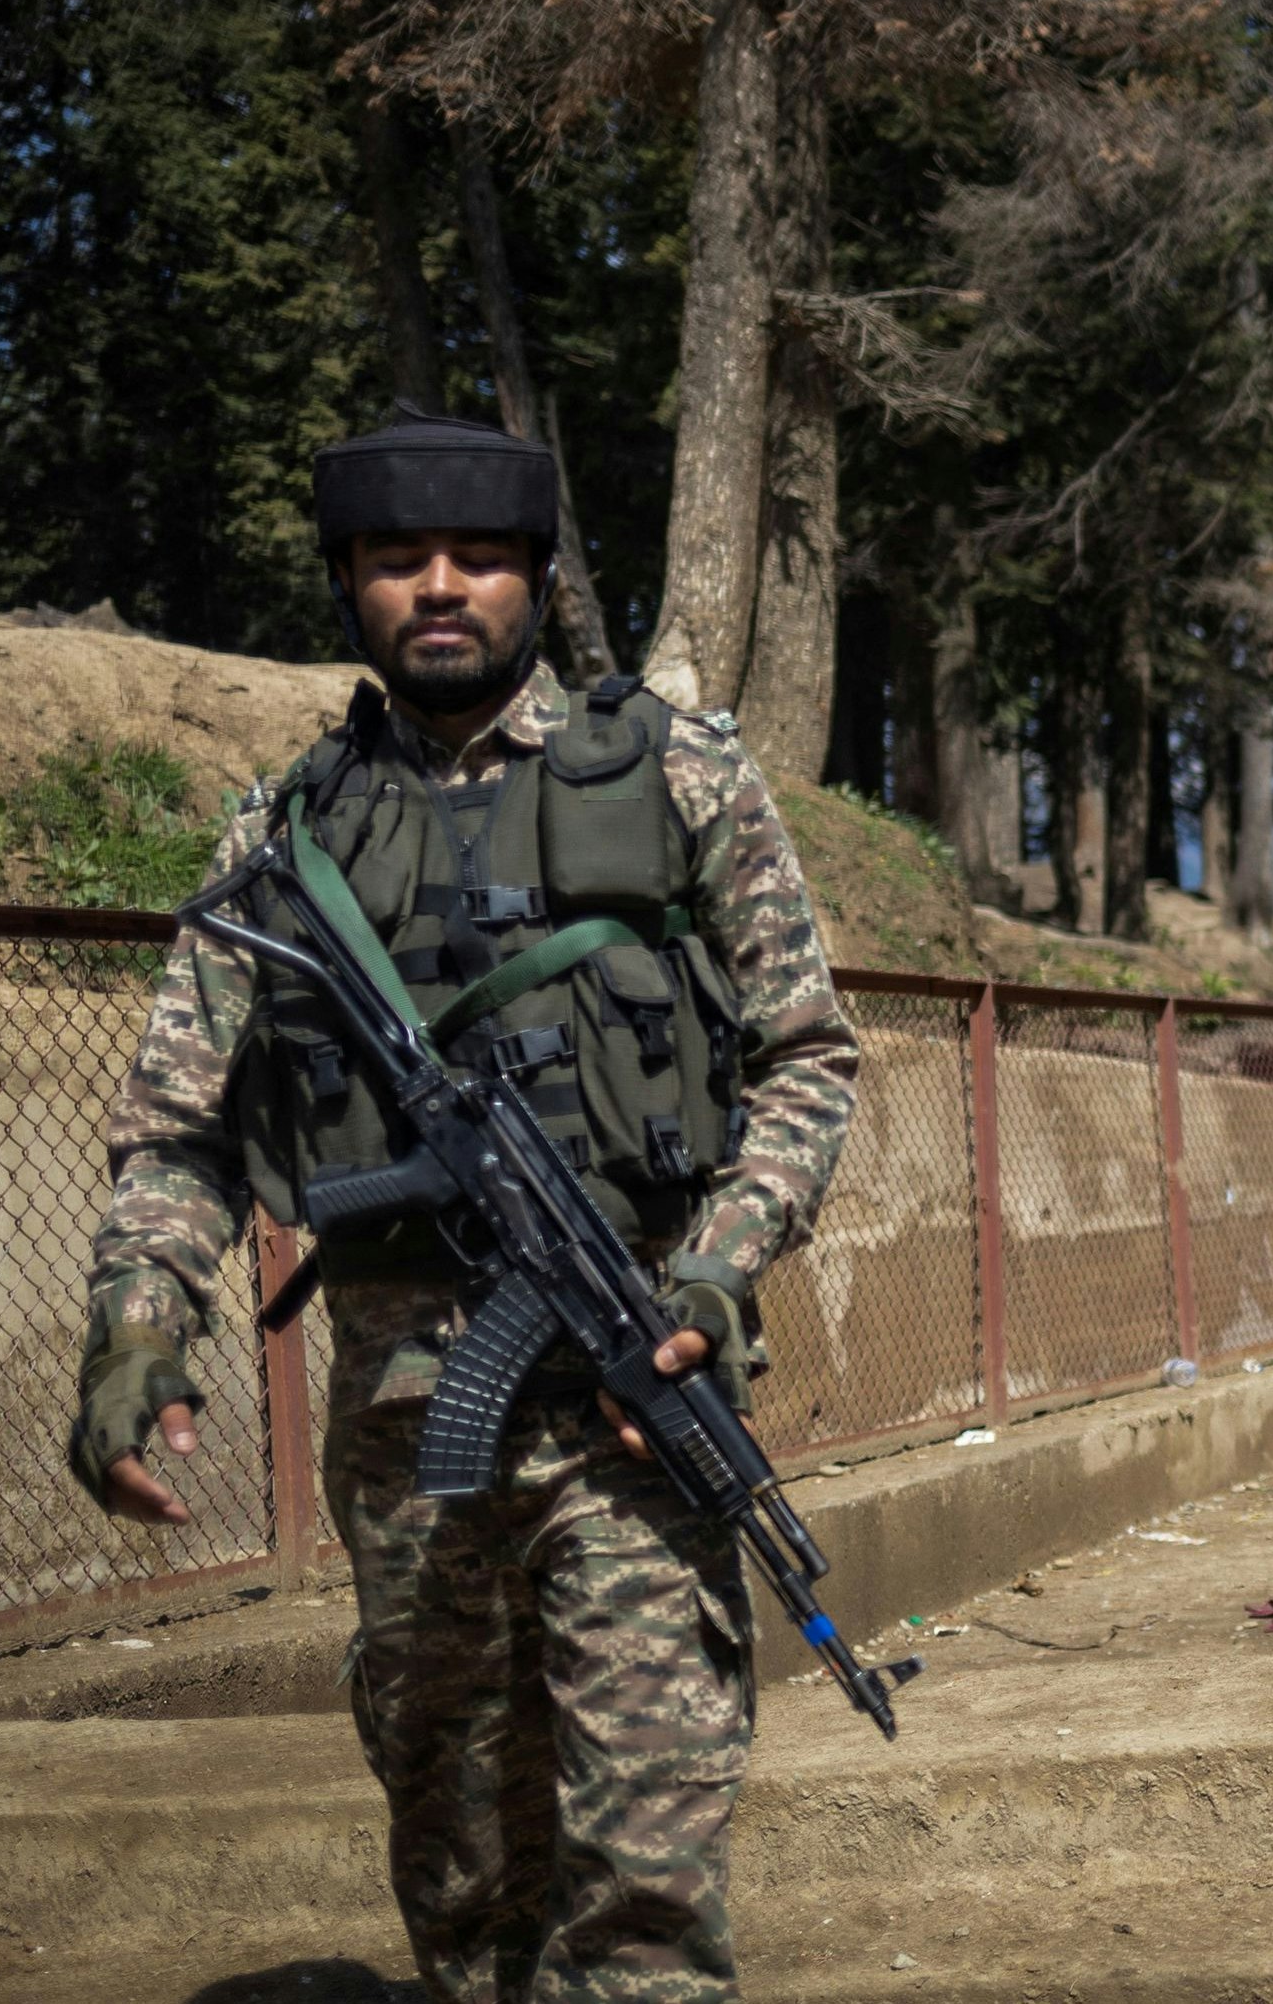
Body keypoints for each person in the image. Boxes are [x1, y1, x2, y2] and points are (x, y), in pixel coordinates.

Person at [67, 409, 860, 2004]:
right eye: (396, 560)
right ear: (348, 583)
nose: (441, 587)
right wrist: (136, 1331)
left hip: (643, 1404)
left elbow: (809, 1061)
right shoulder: (281, 838)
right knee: (463, 1866)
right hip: (406, 1432)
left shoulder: (683, 779)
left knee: (642, 1868)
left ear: (538, 574)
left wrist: (711, 1273)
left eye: (480, 557)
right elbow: (178, 1133)